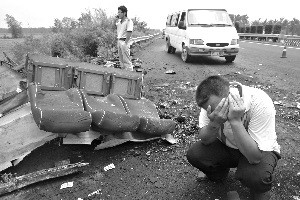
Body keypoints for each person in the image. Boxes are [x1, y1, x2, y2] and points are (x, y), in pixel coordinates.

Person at [186, 75, 281, 200]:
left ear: (230, 95)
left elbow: (255, 158)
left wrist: (235, 121)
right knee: (195, 154)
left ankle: (259, 190)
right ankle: (220, 173)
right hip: (228, 147)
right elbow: (205, 140)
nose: (215, 113)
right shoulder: (211, 104)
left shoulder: (260, 102)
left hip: (258, 151)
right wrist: (214, 123)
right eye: (210, 111)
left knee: (255, 176)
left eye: (218, 109)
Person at [115, 5, 134, 71]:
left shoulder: (128, 21)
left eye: (120, 12)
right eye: (118, 12)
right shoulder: (119, 22)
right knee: (121, 60)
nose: (118, 14)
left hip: (124, 41)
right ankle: (123, 75)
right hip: (119, 41)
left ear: (124, 13)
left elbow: (129, 32)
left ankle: (130, 75)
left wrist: (125, 43)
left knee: (126, 60)